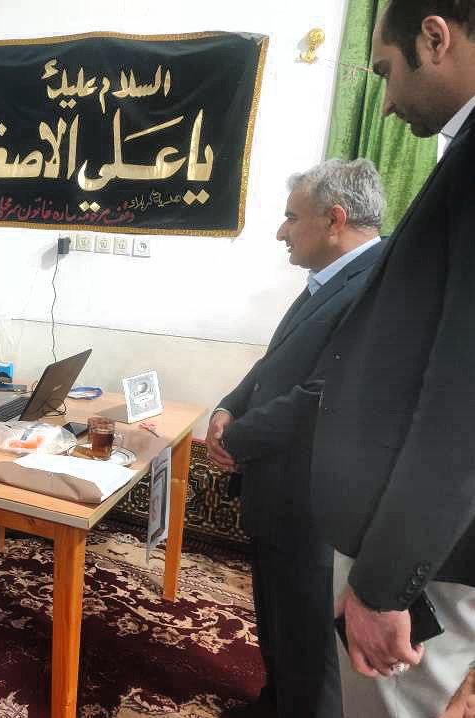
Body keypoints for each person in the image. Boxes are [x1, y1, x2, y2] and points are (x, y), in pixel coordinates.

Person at [310, 2, 475, 715]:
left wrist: (384, 584)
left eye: (385, 73)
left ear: (434, 38)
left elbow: (462, 403)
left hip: (423, 568)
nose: (382, 104)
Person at [206, 159, 385, 718]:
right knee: (279, 616)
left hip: (314, 500)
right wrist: (229, 406)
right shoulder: (328, 281)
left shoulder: (376, 284)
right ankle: (276, 702)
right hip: (279, 491)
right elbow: (275, 363)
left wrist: (239, 439)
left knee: (309, 634)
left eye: (291, 217)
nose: (281, 231)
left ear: (334, 219)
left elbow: (322, 397)